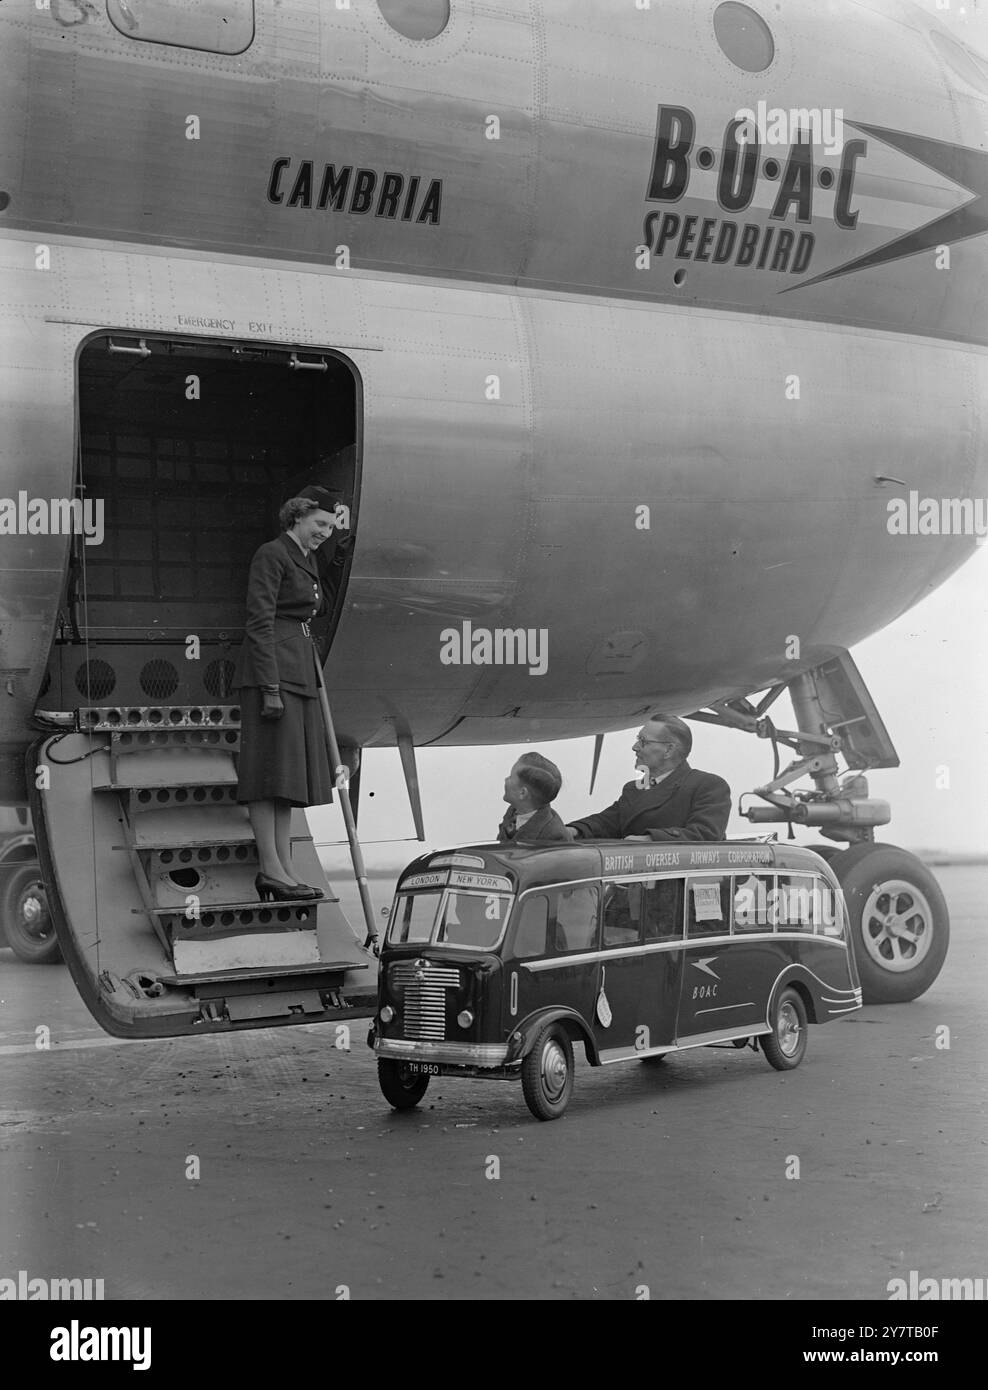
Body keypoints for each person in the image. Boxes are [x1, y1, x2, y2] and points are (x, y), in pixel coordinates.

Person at [233, 488, 342, 901]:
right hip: (273, 671)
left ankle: (285, 869)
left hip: (295, 667)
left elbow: (319, 606)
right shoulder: (272, 554)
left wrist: (341, 557)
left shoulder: (305, 558)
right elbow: (258, 621)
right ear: (297, 516)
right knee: (266, 776)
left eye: (330, 528)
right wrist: (270, 686)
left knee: (284, 777)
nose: (324, 534)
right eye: (320, 525)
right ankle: (270, 868)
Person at [563, 715, 730, 842]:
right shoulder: (634, 788)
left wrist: (649, 840)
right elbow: (607, 822)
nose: (634, 747)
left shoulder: (708, 786)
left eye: (643, 742)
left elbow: (704, 835)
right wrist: (571, 831)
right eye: (638, 740)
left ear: (668, 750)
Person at [498, 753, 570, 843]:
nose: (506, 779)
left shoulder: (554, 836)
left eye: (511, 777)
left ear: (522, 793)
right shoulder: (513, 811)